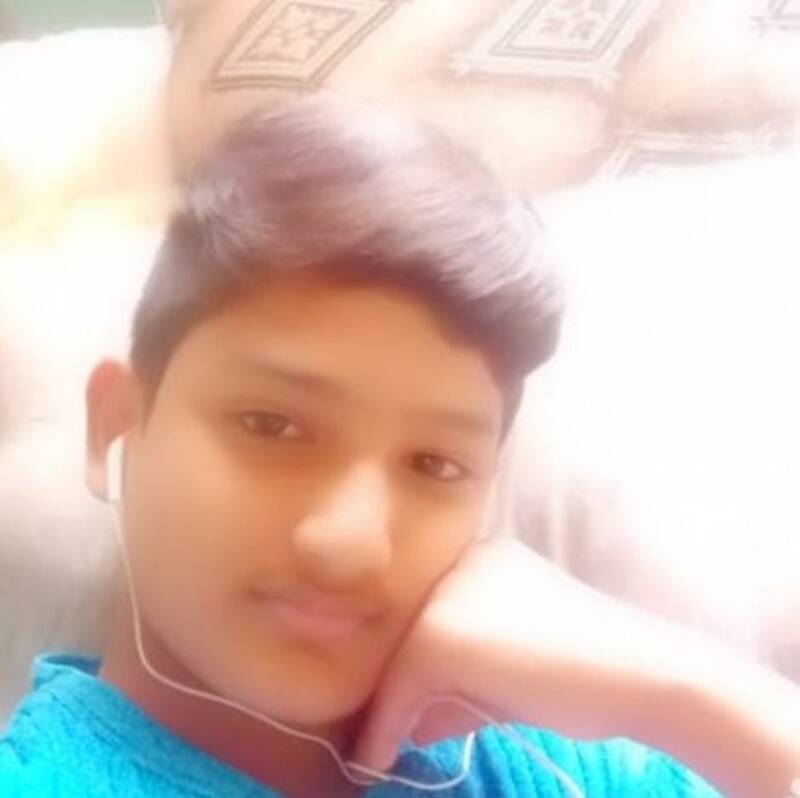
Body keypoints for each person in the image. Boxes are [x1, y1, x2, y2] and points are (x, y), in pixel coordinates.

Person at [1, 95, 799, 798]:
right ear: (116, 422)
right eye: (273, 426)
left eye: (435, 465)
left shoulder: (558, 760)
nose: (349, 544)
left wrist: (685, 696)